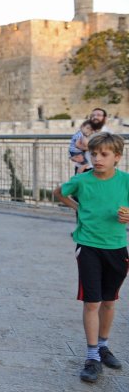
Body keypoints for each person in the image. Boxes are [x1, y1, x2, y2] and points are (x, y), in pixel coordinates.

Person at [53, 132, 128, 383]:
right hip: (88, 247)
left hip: (117, 249)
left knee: (109, 301)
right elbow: (59, 192)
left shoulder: (126, 181)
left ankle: (104, 346)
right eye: (93, 153)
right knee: (92, 302)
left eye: (104, 154)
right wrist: (77, 207)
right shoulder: (82, 180)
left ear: (117, 157)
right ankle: (92, 355)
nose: (97, 158)